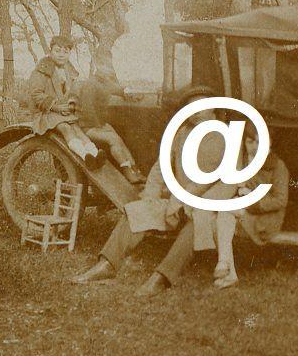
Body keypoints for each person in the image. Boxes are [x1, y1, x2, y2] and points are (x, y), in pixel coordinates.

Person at [71, 86, 225, 296]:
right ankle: (107, 265)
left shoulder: (223, 136)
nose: (195, 112)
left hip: (208, 204)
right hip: (177, 201)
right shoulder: (183, 132)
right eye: (190, 107)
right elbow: (161, 167)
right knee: (137, 210)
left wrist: (182, 199)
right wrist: (151, 194)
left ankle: (161, 278)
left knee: (197, 224)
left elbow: (210, 180)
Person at [190, 127, 290, 289]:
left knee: (224, 213)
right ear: (244, 142)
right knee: (221, 217)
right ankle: (228, 270)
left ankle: (225, 265)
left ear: (270, 143)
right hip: (242, 211)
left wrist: (251, 199)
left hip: (265, 217)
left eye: (260, 142)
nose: (255, 147)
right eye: (250, 142)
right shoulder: (242, 162)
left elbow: (280, 200)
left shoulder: (278, 166)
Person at [20, 35, 103, 168]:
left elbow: (74, 93)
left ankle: (95, 154)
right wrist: (55, 107)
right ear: (50, 51)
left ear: (69, 54)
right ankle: (85, 156)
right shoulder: (41, 71)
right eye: (57, 50)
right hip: (45, 113)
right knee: (66, 128)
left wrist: (70, 105)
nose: (61, 55)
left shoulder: (70, 72)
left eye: (65, 52)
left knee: (77, 130)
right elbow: (36, 94)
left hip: (64, 112)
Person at [76, 62, 145, 184]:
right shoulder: (90, 84)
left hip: (99, 124)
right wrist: (98, 126)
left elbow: (117, 89)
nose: (107, 70)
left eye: (108, 67)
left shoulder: (104, 82)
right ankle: (127, 172)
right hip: (87, 126)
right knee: (113, 139)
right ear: (98, 67)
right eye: (104, 67)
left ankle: (135, 170)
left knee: (119, 140)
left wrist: (129, 94)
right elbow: (87, 108)